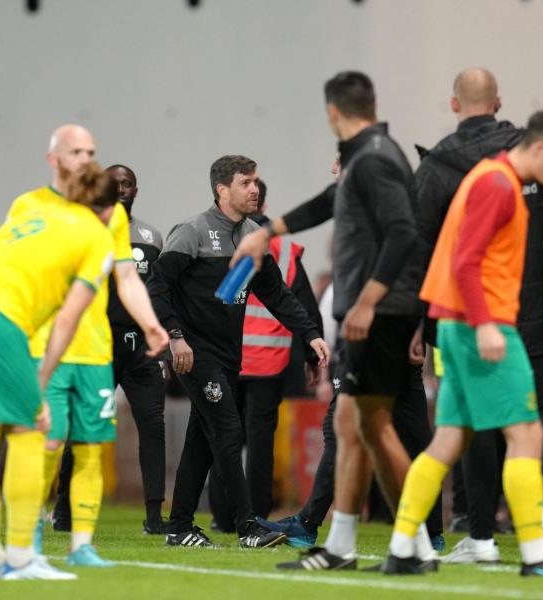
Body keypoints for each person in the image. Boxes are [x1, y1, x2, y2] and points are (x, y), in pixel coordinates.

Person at [237, 72, 432, 570]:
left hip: (380, 314)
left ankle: (414, 544)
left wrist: (368, 300)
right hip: (375, 313)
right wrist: (270, 231)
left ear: (332, 113)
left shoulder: (376, 159)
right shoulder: (365, 157)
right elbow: (329, 201)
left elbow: (405, 234)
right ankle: (352, 544)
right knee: (352, 425)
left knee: (371, 426)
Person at [381, 110, 543, 579]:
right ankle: (536, 554)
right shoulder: (497, 184)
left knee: (448, 441)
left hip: (457, 326)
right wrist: (487, 325)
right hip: (483, 327)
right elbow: (465, 261)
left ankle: (402, 548)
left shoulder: (491, 178)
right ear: (538, 147)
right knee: (528, 434)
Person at [0, 161, 118, 581]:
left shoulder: (36, 212)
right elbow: (68, 318)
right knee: (33, 430)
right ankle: (21, 557)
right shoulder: (97, 236)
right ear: (108, 209)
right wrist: (42, 378)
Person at [148, 154, 329, 549]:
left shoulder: (253, 238)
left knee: (202, 439)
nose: (255, 189)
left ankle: (179, 527)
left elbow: (277, 295)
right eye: (246, 182)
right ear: (222, 189)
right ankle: (248, 526)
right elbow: (156, 286)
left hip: (230, 356)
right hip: (194, 354)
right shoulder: (192, 232)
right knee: (229, 430)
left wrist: (310, 335)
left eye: (256, 181)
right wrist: (175, 337)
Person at [9, 128, 168, 567]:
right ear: (53, 157)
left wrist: (152, 325)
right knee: (50, 442)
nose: (85, 158)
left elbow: (127, 277)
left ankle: (81, 545)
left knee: (92, 446)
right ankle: (32, 529)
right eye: (76, 151)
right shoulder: (29, 206)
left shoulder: (110, 215)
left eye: (91, 152)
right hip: (48, 346)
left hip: (96, 349)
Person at [49, 163, 171, 537]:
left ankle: (154, 516)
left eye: (128, 184)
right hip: (97, 345)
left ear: (136, 190)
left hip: (141, 349)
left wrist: (160, 337)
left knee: (153, 426)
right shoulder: (83, 231)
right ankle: (63, 510)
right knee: (82, 427)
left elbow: (156, 292)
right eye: (114, 183)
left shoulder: (152, 237)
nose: (121, 189)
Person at [207, 179, 323, 528]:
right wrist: (311, 353)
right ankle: (255, 514)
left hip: (228, 358)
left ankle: (222, 516)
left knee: (223, 436)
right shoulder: (285, 251)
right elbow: (303, 304)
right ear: (266, 210)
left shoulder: (219, 243)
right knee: (260, 444)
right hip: (266, 365)